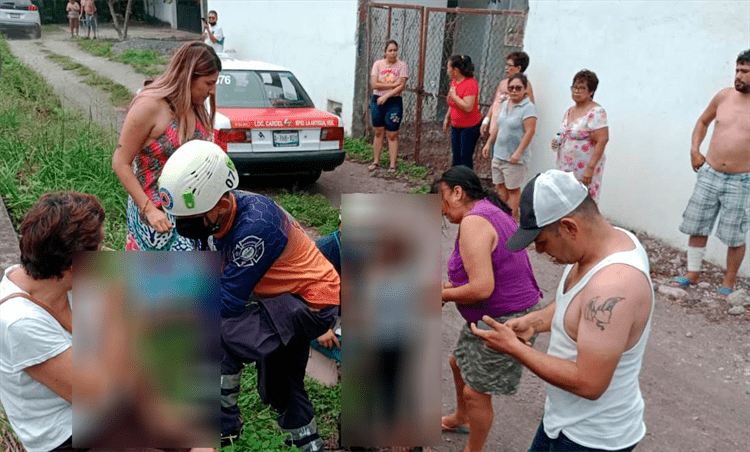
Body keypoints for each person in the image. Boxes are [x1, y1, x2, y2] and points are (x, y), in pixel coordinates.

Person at [157, 140, 340, 451]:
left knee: (218, 335)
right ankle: (310, 445)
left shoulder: (256, 226)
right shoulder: (214, 219)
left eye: (192, 219)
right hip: (281, 300)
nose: (183, 227)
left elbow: (227, 303)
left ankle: (221, 428)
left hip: (310, 303)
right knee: (281, 384)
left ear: (222, 204)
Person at [472, 169, 654, 452]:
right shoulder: (600, 244)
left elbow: (589, 382)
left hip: (593, 439)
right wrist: (535, 321)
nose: (541, 252)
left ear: (569, 227)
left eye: (541, 241)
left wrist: (516, 349)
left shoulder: (614, 285)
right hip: (563, 421)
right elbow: (575, 304)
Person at [434, 166, 541, 452]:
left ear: (457, 193)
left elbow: (482, 288)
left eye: (441, 198)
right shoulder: (489, 210)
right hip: (489, 315)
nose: (440, 209)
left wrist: (439, 294)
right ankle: (461, 417)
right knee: (458, 363)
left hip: (506, 320)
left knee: (476, 392)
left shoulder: (474, 221)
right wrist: (444, 289)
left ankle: (474, 448)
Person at [0, 192, 103, 452]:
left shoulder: (48, 275)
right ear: (71, 265)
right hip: (66, 435)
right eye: (99, 248)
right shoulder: (20, 322)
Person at [112, 41, 221, 251]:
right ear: (188, 77)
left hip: (190, 210)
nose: (212, 90)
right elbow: (120, 163)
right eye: (208, 83)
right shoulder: (149, 106)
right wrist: (149, 210)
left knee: (193, 281)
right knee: (156, 281)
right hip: (155, 215)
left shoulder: (195, 105)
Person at [673, 49, 750, 296]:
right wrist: (694, 150)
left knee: (734, 234)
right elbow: (702, 122)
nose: (738, 76)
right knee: (698, 223)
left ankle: (727, 283)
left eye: (745, 72)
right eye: (737, 70)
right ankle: (692, 273)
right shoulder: (724, 97)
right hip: (710, 173)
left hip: (741, 180)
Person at [481, 73, 537, 221]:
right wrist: (488, 143)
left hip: (514, 159)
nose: (514, 91)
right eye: (511, 88)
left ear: (525, 89)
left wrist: (518, 153)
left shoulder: (528, 108)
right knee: (499, 187)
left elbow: (530, 132)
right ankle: (501, 219)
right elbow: (498, 126)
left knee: (512, 190)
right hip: (498, 154)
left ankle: (512, 220)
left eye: (518, 88)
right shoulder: (505, 104)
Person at [552, 69, 609, 202]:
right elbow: (564, 132)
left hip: (584, 169)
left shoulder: (596, 112)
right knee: (564, 200)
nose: (577, 91)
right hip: (565, 167)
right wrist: (557, 142)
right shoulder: (570, 111)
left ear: (591, 91)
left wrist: (590, 169)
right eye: (575, 88)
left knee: (582, 203)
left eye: (582, 88)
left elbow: (602, 140)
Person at [368, 40, 408, 173]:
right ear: (385, 52)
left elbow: (401, 86)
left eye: (395, 50)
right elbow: (374, 84)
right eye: (390, 50)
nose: (393, 53)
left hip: (393, 102)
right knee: (378, 132)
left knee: (392, 134)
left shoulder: (402, 65)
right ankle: (376, 161)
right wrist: (393, 85)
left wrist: (386, 96)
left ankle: (392, 165)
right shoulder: (378, 65)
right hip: (376, 101)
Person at [480, 51, 535, 136]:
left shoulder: (526, 85)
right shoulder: (502, 83)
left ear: (518, 68)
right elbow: (495, 102)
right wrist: (486, 120)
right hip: (495, 130)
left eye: (509, 66)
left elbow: (530, 109)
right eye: (506, 65)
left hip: (511, 133)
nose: (506, 68)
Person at [444, 55, 483, 170]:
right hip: (456, 125)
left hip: (469, 127)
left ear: (455, 70)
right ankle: (455, 182)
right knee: (456, 157)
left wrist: (454, 96)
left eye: (448, 68)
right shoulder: (455, 82)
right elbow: (452, 104)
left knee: (465, 157)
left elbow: (468, 107)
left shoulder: (471, 84)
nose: (447, 71)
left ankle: (466, 184)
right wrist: (447, 117)